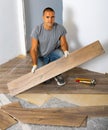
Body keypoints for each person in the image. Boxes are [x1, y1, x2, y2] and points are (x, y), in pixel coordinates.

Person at [30, 7, 69, 86]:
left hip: (53, 53)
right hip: (41, 57)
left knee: (62, 55)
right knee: (45, 79)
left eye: (52, 17)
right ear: (43, 17)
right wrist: (34, 64)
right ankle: (51, 69)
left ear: (54, 17)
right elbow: (33, 49)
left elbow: (63, 43)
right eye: (47, 17)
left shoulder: (60, 28)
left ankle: (57, 73)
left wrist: (65, 51)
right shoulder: (37, 30)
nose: (50, 20)